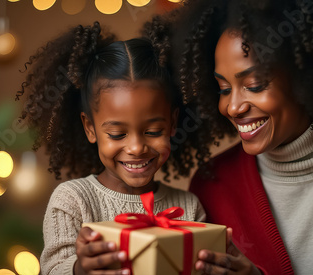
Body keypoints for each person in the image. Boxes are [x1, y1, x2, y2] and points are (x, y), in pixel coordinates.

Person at [144, 0, 313, 274]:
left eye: (254, 85)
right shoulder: (211, 187)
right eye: (223, 88)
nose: (233, 107)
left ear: (308, 75)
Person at [18, 22, 207, 275]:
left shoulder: (188, 207)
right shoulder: (73, 201)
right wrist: (79, 269)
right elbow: (52, 268)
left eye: (153, 132)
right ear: (90, 128)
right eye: (117, 134)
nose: (137, 148)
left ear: (173, 124)